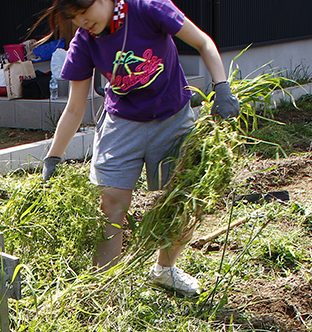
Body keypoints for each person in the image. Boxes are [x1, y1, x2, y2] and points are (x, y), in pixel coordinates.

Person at [38, 0, 239, 295]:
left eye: (85, 10)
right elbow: (73, 108)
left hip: (172, 119)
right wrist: (53, 157)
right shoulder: (85, 41)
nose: (81, 20)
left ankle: (165, 270)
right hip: (122, 124)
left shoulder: (148, 8)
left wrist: (222, 88)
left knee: (183, 197)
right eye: (73, 17)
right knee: (111, 203)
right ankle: (104, 286)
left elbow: (203, 43)